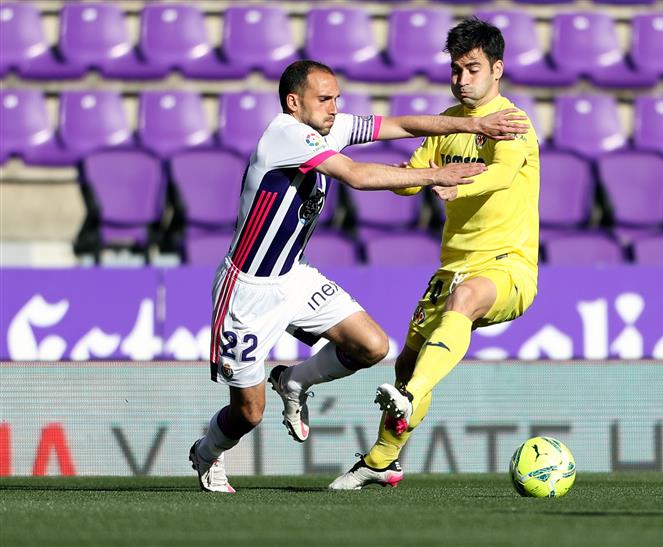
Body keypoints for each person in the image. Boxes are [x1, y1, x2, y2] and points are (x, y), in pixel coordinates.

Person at [188, 59, 528, 493]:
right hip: (247, 289)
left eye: (337, 99)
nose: (334, 107)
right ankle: (208, 451)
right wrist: (435, 175)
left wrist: (478, 124)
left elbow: (402, 125)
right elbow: (357, 175)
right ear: (295, 102)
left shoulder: (326, 126)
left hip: (293, 277)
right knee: (248, 413)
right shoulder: (285, 136)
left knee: (372, 345)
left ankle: (293, 380)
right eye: (324, 99)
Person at [329, 18, 540, 490]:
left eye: (472, 69)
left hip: (508, 265)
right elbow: (416, 177)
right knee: (406, 366)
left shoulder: (512, 123)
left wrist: (458, 182)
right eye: (456, 70)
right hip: (452, 267)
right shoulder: (448, 123)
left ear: (497, 69)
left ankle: (413, 397)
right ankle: (382, 461)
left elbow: (503, 175)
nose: (462, 80)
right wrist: (409, 177)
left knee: (462, 304)